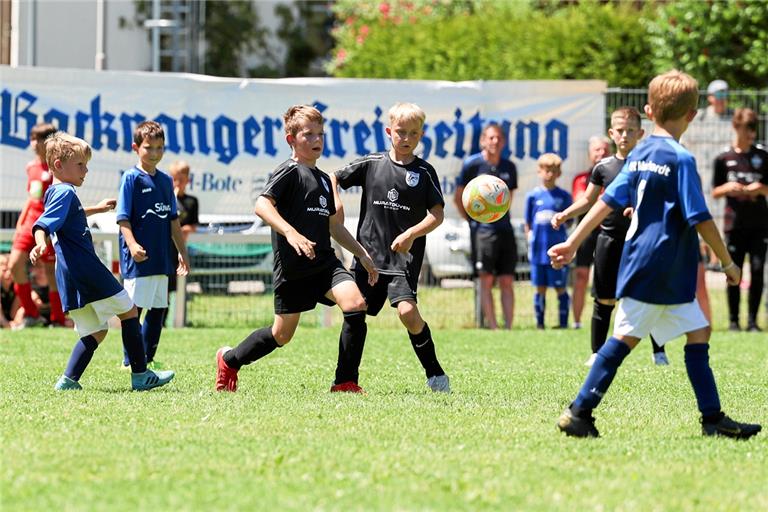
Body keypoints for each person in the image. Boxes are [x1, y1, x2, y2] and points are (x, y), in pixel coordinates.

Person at [549, 70, 762, 439]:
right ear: (692, 115)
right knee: (625, 340)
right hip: (659, 266)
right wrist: (727, 263)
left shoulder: (641, 153)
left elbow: (605, 202)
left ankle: (713, 418)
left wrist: (572, 242)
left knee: (698, 331)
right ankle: (579, 410)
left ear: (649, 110)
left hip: (648, 263)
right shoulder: (681, 159)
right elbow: (701, 218)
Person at [214, 105, 378, 393]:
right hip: (293, 269)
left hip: (325, 264)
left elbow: (334, 227)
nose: (317, 140)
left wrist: (361, 254)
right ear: (291, 139)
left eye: (320, 134)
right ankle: (229, 359)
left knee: (355, 305)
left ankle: (345, 382)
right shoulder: (288, 171)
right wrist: (290, 232)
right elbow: (262, 205)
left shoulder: (326, 180)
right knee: (281, 335)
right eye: (308, 134)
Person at [29, 132, 175, 391]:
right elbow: (42, 224)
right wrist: (41, 241)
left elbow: (68, 214)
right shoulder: (64, 192)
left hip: (71, 276)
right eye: (80, 165)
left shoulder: (58, 192)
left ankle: (68, 381)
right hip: (87, 269)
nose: (86, 170)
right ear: (59, 166)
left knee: (96, 331)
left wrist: (95, 208)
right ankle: (140, 375)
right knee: (129, 310)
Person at [332, 102, 451, 393]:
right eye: (400, 132)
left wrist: (411, 233)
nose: (406, 138)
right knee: (354, 311)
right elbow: (333, 177)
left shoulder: (424, 172)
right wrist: (336, 203)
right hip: (368, 258)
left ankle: (435, 374)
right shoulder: (372, 163)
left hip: (402, 260)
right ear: (389, 132)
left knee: (407, 313)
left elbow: (437, 214)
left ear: (421, 135)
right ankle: (345, 381)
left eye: (413, 133)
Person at [552, 107, 670, 367]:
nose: (625, 135)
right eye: (620, 131)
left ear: (640, 133)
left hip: (642, 240)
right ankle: (597, 352)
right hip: (609, 239)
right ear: (611, 133)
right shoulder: (603, 167)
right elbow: (588, 200)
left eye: (630, 131)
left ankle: (659, 351)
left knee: (646, 296)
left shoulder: (649, 164)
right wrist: (565, 214)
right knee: (604, 297)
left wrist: (639, 209)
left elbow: (658, 199)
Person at [117, 121, 190, 369]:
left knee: (158, 308)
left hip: (161, 258)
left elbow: (173, 221)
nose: (155, 153)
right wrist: (133, 244)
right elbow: (123, 218)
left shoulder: (166, 181)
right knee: (133, 310)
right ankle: (131, 359)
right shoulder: (131, 178)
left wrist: (182, 252)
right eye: (149, 148)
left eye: (160, 148)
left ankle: (147, 358)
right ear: (136, 148)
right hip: (138, 259)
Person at [454, 123, 519, 329]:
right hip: (482, 232)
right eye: (491, 138)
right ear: (483, 140)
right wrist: (473, 222)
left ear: (504, 142)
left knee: (507, 280)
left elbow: (509, 199)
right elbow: (458, 197)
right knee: (486, 280)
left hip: (505, 230)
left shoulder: (509, 167)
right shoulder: (471, 165)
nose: (495, 141)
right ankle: (492, 326)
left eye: (499, 138)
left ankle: (508, 327)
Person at [712, 108, 768, 332]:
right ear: (736, 127)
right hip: (733, 224)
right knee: (733, 271)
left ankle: (753, 322)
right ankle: (734, 321)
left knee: (757, 270)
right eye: (747, 129)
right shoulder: (724, 158)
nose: (751, 135)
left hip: (760, 224)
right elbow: (715, 191)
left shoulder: (763, 157)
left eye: (754, 130)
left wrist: (760, 188)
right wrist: (728, 187)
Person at [7, 122, 66, 329]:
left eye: (38, 139)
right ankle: (31, 315)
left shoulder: (58, 167)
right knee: (14, 264)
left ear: (49, 141)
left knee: (52, 273)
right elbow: (32, 199)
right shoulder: (30, 167)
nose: (34, 143)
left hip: (49, 227)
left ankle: (58, 320)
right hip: (29, 225)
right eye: (32, 138)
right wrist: (21, 223)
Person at [524, 153, 572, 329]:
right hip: (538, 251)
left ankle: (563, 323)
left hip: (556, 251)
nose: (549, 174)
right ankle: (540, 324)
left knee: (560, 287)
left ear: (558, 173)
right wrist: (529, 241)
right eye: (546, 170)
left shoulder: (564, 196)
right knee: (540, 288)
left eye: (553, 171)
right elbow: (527, 224)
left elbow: (570, 222)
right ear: (539, 171)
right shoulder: (532, 197)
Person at [570, 136, 611, 329]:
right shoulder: (581, 179)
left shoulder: (619, 176)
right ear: (589, 154)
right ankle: (576, 322)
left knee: (610, 280)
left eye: (604, 149)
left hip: (611, 233)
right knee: (581, 276)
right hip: (587, 233)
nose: (601, 153)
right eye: (597, 150)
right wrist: (606, 200)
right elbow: (581, 200)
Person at [164, 161, 199, 327]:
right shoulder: (166, 199)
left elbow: (193, 225)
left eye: (181, 179)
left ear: (188, 180)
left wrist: (184, 229)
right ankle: (160, 322)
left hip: (180, 249)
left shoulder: (192, 201)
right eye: (174, 179)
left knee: (177, 285)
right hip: (165, 248)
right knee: (163, 287)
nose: (178, 183)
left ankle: (180, 319)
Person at [0, 254, 24, 329]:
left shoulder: (16, 285)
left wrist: (21, 311)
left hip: (10, 317)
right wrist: (6, 324)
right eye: (4, 270)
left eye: (11, 270)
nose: (9, 273)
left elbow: (13, 314)